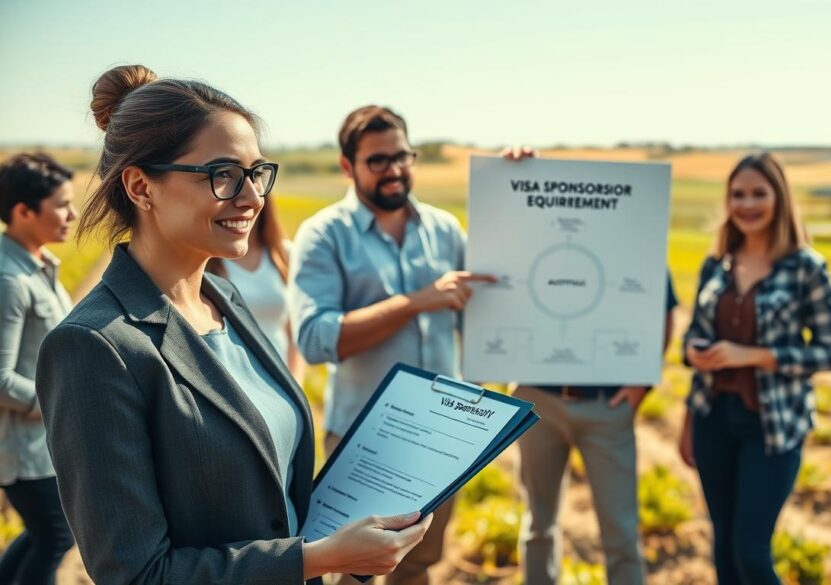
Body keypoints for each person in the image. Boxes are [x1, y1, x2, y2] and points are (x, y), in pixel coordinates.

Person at [34, 65, 431, 585]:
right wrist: (320, 558)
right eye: (222, 175)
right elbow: (136, 575)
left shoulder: (225, 299)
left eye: (256, 173)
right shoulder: (94, 347)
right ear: (140, 187)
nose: (251, 197)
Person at [288, 106, 530, 584]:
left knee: (418, 564)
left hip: (444, 443)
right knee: (350, 573)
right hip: (362, 440)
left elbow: (495, 301)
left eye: (402, 156)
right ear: (346, 166)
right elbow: (316, 340)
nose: (395, 169)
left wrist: (519, 184)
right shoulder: (323, 235)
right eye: (378, 160)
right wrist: (415, 302)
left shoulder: (445, 229)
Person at [678, 152, 831, 585]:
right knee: (722, 545)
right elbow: (693, 338)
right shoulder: (717, 264)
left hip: (772, 427)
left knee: (751, 553)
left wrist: (753, 355)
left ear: (779, 198)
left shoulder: (806, 267)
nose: (747, 204)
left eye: (758, 193)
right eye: (738, 194)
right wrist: (695, 357)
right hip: (712, 417)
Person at [514, 274, 678, 585]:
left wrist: (642, 383)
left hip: (607, 406)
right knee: (538, 521)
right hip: (537, 401)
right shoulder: (532, 231)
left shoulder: (634, 237)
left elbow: (662, 309)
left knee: (620, 530)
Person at [0, 152, 76, 585]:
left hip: (42, 443)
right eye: (61, 205)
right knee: (55, 537)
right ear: (23, 212)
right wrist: (63, 404)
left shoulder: (38, 264)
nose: (73, 214)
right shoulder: (9, 280)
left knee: (44, 536)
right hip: (23, 450)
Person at [207, 196, 305, 381]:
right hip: (234, 382)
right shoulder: (209, 260)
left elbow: (295, 333)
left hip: (280, 378)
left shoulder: (284, 255)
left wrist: (295, 384)